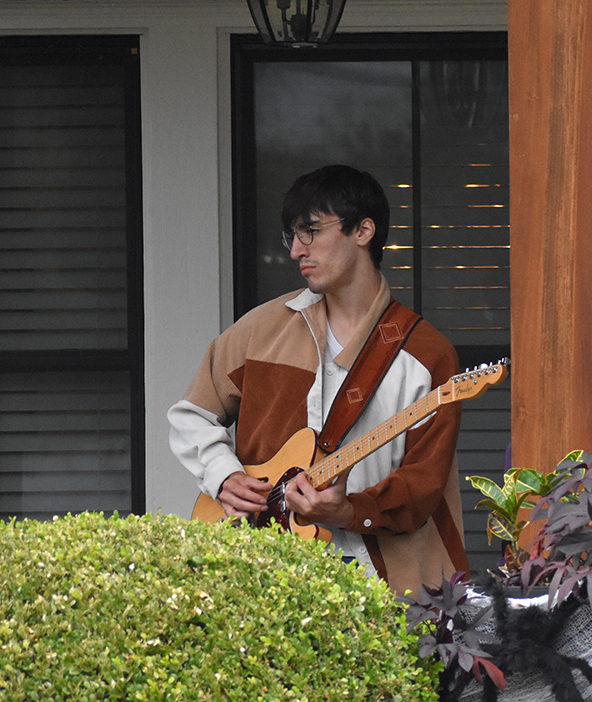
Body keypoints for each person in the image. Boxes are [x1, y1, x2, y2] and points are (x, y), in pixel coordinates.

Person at [169, 164, 467, 596]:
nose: (295, 250)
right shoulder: (261, 330)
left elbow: (422, 484)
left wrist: (349, 512)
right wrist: (222, 475)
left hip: (382, 581)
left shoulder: (426, 355)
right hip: (260, 570)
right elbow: (191, 414)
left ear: (363, 231)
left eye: (310, 231)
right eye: (292, 235)